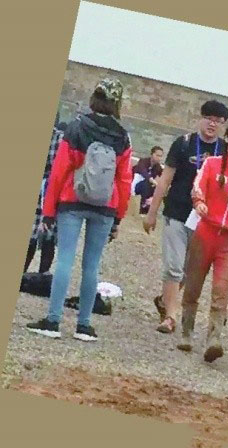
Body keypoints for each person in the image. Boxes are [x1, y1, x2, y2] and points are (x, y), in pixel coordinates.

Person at [26, 78, 133, 341]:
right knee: (91, 265)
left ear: (94, 97)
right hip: (105, 206)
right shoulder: (122, 136)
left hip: (72, 200)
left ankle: (53, 321)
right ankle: (84, 325)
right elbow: (124, 180)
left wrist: (48, 211)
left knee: (65, 259)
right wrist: (118, 217)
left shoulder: (77, 127)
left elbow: (60, 170)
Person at [176, 120, 228, 362]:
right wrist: (199, 203)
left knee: (221, 290)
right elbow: (198, 187)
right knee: (193, 285)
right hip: (206, 234)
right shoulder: (211, 164)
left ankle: (214, 338)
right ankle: (186, 332)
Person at [143, 100, 228, 334]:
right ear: (200, 118)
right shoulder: (183, 144)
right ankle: (171, 317)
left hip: (204, 220)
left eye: (218, 121)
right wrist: (152, 213)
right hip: (177, 213)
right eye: (209, 118)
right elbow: (165, 180)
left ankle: (164, 300)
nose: (212, 124)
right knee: (173, 266)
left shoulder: (225, 151)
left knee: (188, 270)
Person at [23, 112, 64, 274]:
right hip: (52, 191)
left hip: (45, 189)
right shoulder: (60, 139)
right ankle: (43, 275)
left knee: (32, 236)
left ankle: (24, 275)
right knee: (49, 236)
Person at [132, 146, 164, 215]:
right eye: (157, 155)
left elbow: (164, 176)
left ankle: (148, 205)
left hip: (145, 186)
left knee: (155, 187)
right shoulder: (143, 161)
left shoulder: (158, 167)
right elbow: (143, 172)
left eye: (161, 156)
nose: (159, 158)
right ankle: (143, 206)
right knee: (147, 184)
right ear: (152, 154)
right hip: (134, 184)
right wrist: (152, 180)